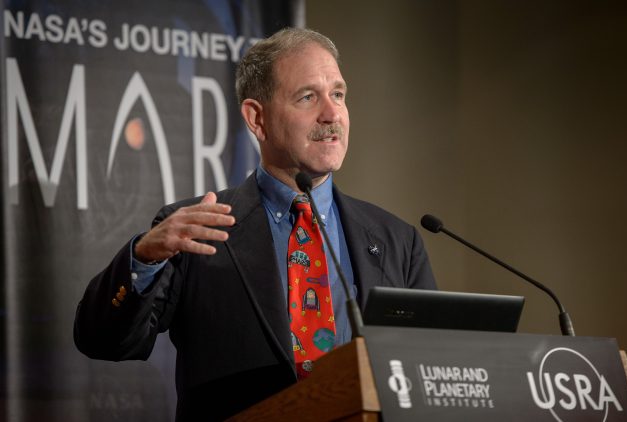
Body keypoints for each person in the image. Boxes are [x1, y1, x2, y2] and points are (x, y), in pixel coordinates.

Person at [74, 27, 436, 421]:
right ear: (256, 118)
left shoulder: (397, 240)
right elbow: (103, 340)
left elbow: (429, 371)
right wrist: (145, 255)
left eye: (338, 94)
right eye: (308, 97)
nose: (332, 114)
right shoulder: (198, 229)